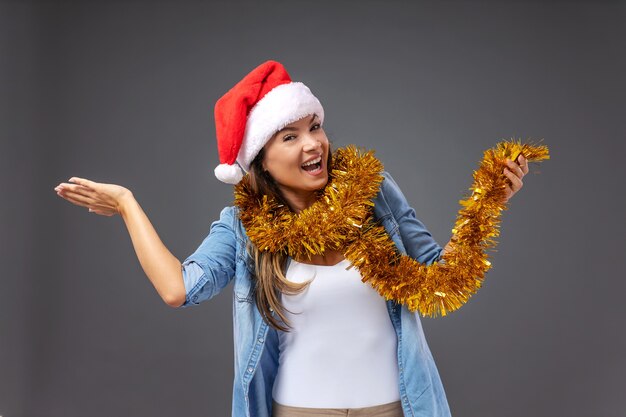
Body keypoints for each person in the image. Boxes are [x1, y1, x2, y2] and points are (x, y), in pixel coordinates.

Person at [54, 60, 529, 417]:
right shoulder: (244, 226)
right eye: (289, 136)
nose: (313, 144)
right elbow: (178, 288)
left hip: (396, 406)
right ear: (261, 159)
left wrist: (490, 203)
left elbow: (441, 276)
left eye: (315, 127)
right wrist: (126, 204)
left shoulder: (374, 195)